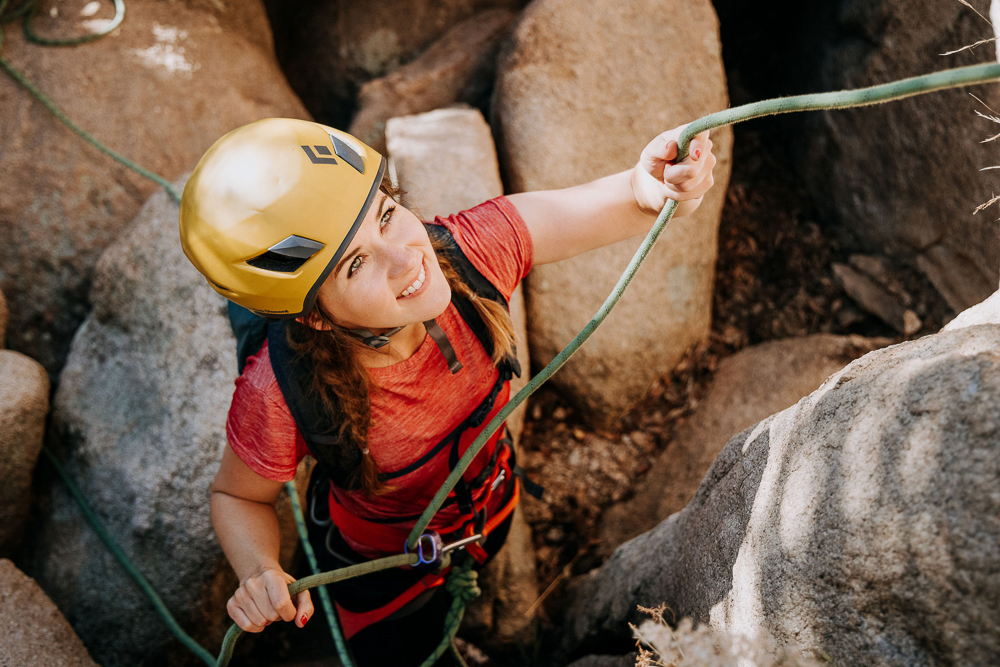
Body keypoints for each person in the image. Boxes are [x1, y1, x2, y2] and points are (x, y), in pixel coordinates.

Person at [179, 117, 716, 665]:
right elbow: (239, 496)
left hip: (490, 507)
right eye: (355, 264)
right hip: (381, 573)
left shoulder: (471, 252)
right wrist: (260, 568)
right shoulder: (279, 390)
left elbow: (631, 197)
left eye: (386, 217)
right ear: (316, 319)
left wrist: (662, 186)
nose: (406, 257)